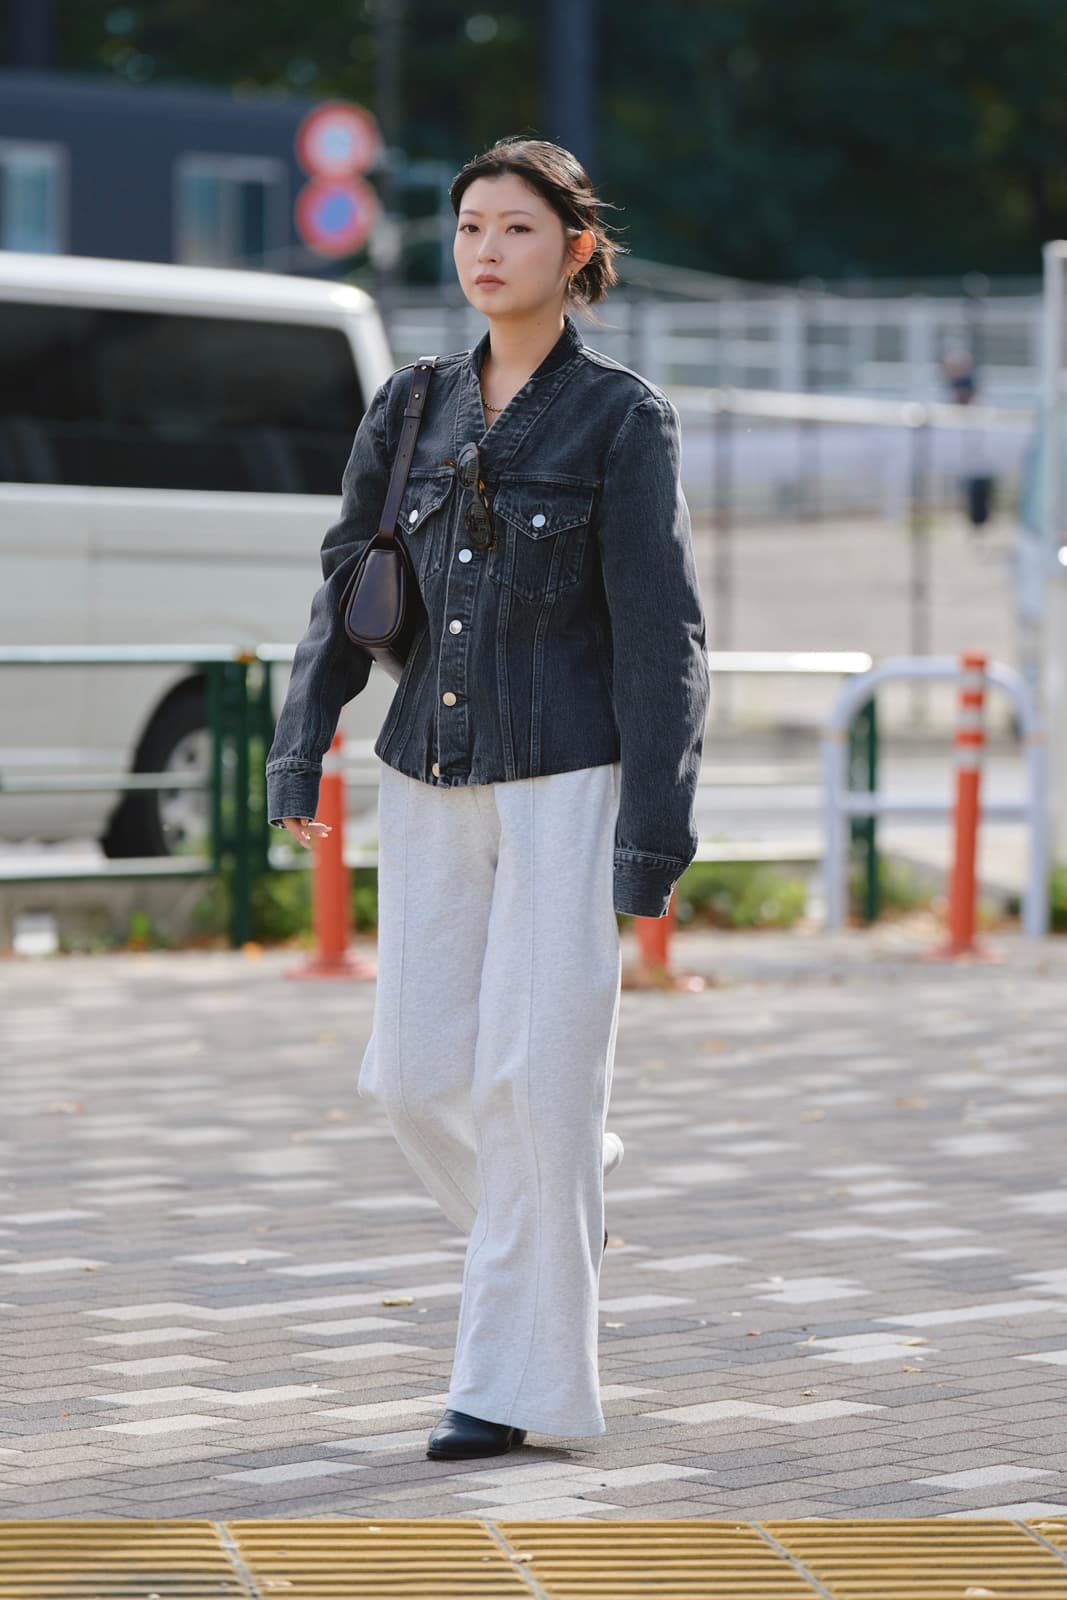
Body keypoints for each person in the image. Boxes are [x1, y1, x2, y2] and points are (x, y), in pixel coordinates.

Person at [265, 136, 710, 1461]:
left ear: (576, 249)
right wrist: (304, 746)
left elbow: (661, 635)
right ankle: (564, 1183)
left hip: (571, 775)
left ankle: (515, 1392)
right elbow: (348, 583)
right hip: (429, 773)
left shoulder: (622, 417)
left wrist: (656, 833)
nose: (484, 251)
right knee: (412, 1082)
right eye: (468, 228)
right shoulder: (410, 406)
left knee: (532, 1081)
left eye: (515, 229)